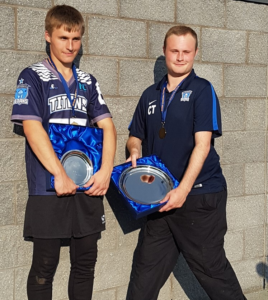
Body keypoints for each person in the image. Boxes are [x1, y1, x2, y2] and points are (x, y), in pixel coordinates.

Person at [126, 25, 246, 300]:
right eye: (174, 51)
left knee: (213, 272)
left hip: (199, 197)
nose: (180, 57)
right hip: (161, 199)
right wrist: (134, 150)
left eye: (186, 52)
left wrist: (183, 191)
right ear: (165, 52)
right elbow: (135, 136)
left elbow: (203, 145)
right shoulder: (150, 95)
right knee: (144, 275)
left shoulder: (202, 90)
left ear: (195, 53)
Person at [11, 5, 116, 300]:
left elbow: (108, 127)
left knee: (85, 263)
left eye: (76, 39)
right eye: (63, 38)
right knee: (45, 265)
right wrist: (58, 173)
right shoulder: (32, 76)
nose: (70, 46)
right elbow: (32, 128)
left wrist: (105, 170)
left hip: (87, 186)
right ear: (48, 36)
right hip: (49, 187)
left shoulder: (88, 81)